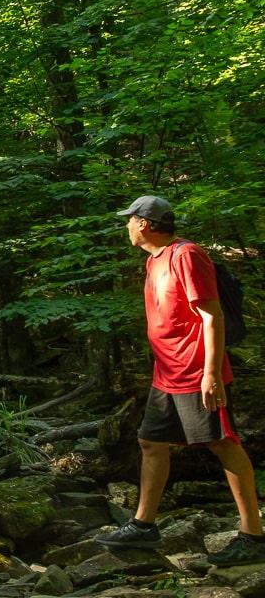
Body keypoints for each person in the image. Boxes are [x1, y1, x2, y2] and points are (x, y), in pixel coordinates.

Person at [94, 195, 265, 565]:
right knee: (151, 441)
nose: (126, 226)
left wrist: (210, 374)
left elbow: (212, 315)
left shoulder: (186, 255)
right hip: (166, 372)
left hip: (196, 370)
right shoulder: (154, 261)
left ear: (145, 223)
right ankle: (143, 525)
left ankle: (252, 534)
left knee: (222, 442)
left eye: (129, 220)